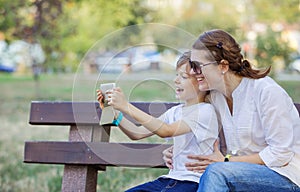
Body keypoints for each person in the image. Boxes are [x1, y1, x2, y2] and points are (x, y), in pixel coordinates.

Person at [163, 29, 300, 192]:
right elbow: (199, 125)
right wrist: (179, 150)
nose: (193, 72)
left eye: (197, 66)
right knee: (216, 172)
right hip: (237, 174)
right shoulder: (215, 96)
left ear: (223, 66)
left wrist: (227, 161)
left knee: (216, 172)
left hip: (284, 177)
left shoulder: (266, 91)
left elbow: (280, 154)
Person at [96, 51, 219, 192]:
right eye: (176, 75)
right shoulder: (175, 112)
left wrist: (126, 106)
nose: (176, 80)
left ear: (202, 81)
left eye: (183, 77)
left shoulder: (205, 111)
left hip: (192, 183)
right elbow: (137, 133)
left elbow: (166, 131)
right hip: (170, 180)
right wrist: (115, 113)